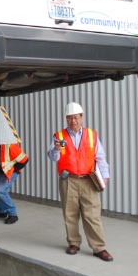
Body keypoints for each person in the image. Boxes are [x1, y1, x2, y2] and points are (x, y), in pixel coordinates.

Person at [47, 102, 113, 262]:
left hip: (89, 180)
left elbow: (100, 157)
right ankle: (73, 243)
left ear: (82, 118)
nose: (73, 121)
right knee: (70, 213)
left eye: (76, 118)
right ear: (66, 119)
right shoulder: (59, 136)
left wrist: (105, 176)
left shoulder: (91, 135)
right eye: (69, 118)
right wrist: (56, 149)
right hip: (68, 180)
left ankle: (99, 247)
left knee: (93, 215)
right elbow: (52, 157)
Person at [0, 143, 28, 224]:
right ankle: (0, 212)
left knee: (0, 190)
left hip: (8, 172)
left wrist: (13, 170)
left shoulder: (11, 145)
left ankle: (13, 214)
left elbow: (25, 160)